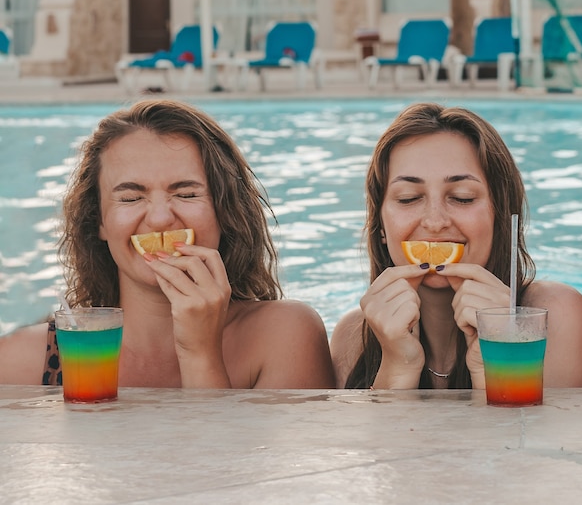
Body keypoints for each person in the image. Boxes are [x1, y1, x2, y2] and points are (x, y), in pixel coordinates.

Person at [0, 99, 335, 389]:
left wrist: (200, 354)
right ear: (99, 222)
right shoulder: (23, 361)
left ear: (224, 211)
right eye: (131, 197)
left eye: (186, 194)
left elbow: (229, 464)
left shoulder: (284, 335)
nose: (160, 219)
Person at [330, 102, 582, 390]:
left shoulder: (550, 319)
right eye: (409, 198)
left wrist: (495, 364)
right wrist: (398, 367)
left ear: (500, 215)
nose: (435, 222)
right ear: (381, 227)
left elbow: (542, 436)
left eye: (462, 198)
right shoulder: (353, 337)